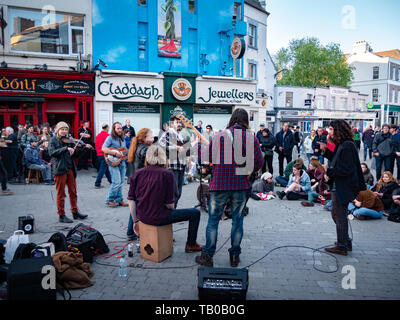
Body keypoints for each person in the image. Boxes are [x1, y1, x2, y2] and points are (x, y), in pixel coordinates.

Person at [195, 108, 264, 268]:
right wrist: (247, 169)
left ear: (232, 119)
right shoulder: (251, 137)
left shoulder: (220, 135)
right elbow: (259, 163)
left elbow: (207, 158)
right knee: (237, 221)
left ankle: (208, 256)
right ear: (245, 121)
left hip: (219, 184)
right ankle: (234, 256)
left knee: (213, 221)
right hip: (240, 185)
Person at [128, 145, 202, 253]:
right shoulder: (167, 174)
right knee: (195, 213)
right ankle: (191, 244)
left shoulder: (137, 173)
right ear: (163, 157)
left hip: (143, 217)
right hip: (160, 217)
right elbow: (170, 205)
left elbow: (131, 200)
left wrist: (135, 221)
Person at [319, 120, 366, 256]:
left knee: (339, 215)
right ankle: (345, 241)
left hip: (344, 185)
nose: (330, 132)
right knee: (337, 214)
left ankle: (342, 245)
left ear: (339, 130)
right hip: (339, 184)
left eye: (332, 129)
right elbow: (336, 159)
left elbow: (346, 169)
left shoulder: (347, 146)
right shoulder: (343, 145)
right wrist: (325, 151)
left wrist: (330, 172)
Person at [49, 122, 88, 223]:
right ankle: (61, 215)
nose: (64, 131)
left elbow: (75, 155)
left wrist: (84, 149)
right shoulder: (53, 140)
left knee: (73, 192)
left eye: (66, 129)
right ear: (57, 130)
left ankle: (75, 212)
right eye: (62, 129)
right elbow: (52, 153)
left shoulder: (69, 140)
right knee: (61, 194)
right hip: (60, 169)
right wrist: (65, 148)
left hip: (70, 168)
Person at [126, 128, 154, 240]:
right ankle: (137, 233)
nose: (153, 138)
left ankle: (130, 232)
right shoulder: (145, 148)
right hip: (142, 182)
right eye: (151, 136)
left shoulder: (135, 146)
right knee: (139, 207)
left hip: (134, 180)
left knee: (135, 206)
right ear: (144, 138)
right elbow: (146, 155)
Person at [159, 115, 188, 209]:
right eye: (177, 122)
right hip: (172, 165)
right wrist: (175, 147)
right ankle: (169, 212)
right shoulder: (168, 133)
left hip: (181, 165)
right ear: (172, 123)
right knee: (173, 192)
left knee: (179, 192)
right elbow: (161, 143)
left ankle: (172, 210)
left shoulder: (180, 134)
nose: (179, 124)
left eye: (180, 122)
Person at [102, 122, 128, 208]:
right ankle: (110, 199)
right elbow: (104, 148)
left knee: (121, 183)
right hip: (113, 163)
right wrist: (114, 153)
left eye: (121, 128)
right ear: (114, 129)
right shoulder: (110, 138)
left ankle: (119, 199)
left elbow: (124, 150)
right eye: (118, 128)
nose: (120, 130)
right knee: (116, 182)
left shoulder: (123, 138)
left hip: (122, 162)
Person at [94, 124, 112, 189]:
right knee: (102, 169)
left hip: (99, 154)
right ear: (107, 128)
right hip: (105, 154)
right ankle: (97, 183)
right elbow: (110, 146)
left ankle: (111, 181)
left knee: (106, 169)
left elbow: (96, 145)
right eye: (108, 128)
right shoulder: (108, 136)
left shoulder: (98, 136)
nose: (109, 129)